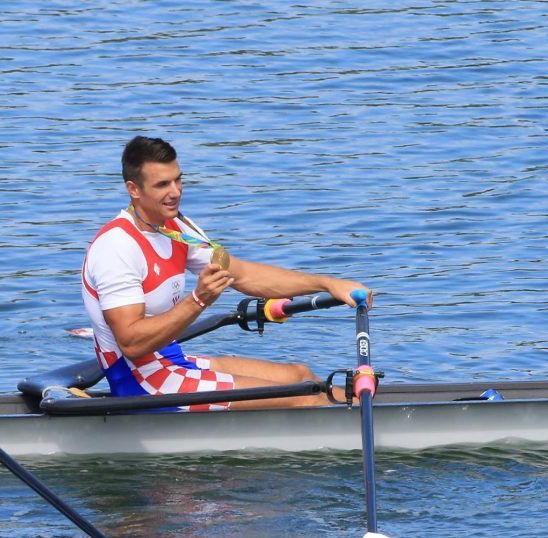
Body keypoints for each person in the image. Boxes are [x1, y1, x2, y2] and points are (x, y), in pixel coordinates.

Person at [81, 136, 368, 408]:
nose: (176, 192)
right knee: (306, 397)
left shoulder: (176, 228)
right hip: (143, 384)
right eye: (162, 185)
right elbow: (131, 343)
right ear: (134, 190)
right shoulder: (117, 247)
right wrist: (199, 299)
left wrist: (327, 283)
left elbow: (244, 275)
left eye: (178, 179)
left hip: (172, 360)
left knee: (300, 375)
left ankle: (378, 415)